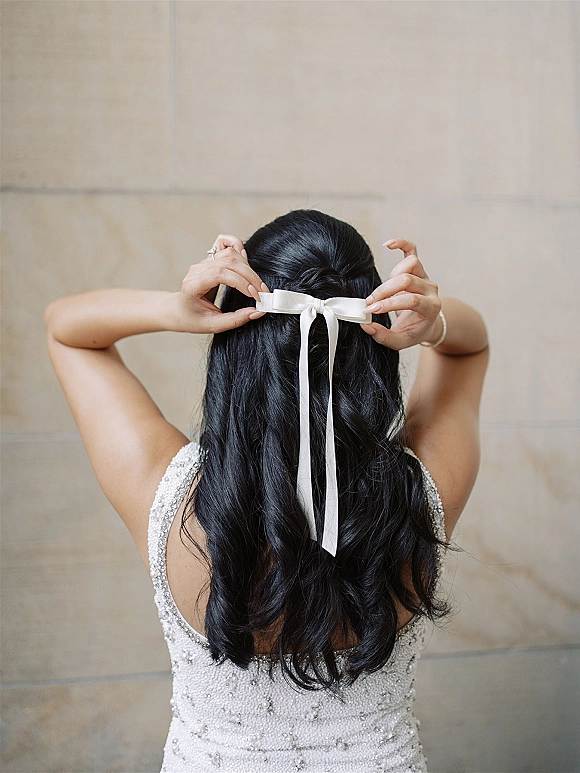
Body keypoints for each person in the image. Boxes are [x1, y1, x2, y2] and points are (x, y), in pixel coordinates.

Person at [45, 209, 489, 772]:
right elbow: (470, 348)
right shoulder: (420, 496)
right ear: (375, 339)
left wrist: (176, 310)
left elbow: (67, 328)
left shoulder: (168, 495)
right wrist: (434, 322)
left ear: (236, 345)